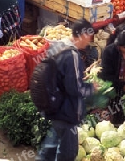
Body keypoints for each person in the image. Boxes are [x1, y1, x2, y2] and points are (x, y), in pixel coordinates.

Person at [36, 19, 96, 161]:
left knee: (50, 148)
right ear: (81, 36)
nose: (89, 42)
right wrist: (91, 88)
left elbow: (58, 75)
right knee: (68, 153)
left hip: (53, 107)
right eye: (88, 38)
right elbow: (75, 88)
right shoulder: (72, 55)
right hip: (66, 111)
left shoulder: (58, 46)